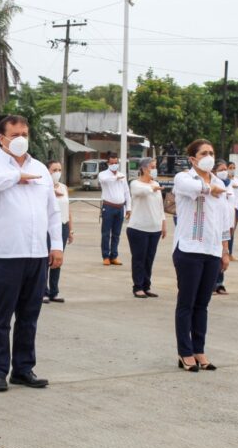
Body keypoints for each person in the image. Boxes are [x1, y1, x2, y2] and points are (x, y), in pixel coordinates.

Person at [0, 115, 63, 392]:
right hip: (4, 254)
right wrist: (15, 176)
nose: (21, 138)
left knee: (29, 316)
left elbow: (52, 210)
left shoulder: (40, 168)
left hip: (36, 254)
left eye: (25, 133)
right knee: (0, 318)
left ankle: (23, 369)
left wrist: (56, 245)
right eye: (14, 134)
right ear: (1, 139)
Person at [172, 139, 230, 372]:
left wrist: (225, 250)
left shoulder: (219, 182)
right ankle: (185, 352)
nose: (209, 157)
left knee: (202, 304)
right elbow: (191, 189)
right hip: (189, 249)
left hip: (212, 250)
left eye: (212, 153)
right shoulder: (184, 178)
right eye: (204, 153)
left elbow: (224, 220)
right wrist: (209, 188)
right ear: (193, 159)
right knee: (186, 302)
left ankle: (199, 349)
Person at [126, 158, 166, 298]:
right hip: (138, 229)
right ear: (143, 168)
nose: (154, 169)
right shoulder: (135, 183)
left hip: (154, 228)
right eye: (151, 167)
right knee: (139, 258)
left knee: (149, 259)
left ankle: (146, 285)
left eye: (155, 167)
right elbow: (141, 192)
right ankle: (137, 287)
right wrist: (152, 188)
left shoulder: (156, 184)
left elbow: (160, 207)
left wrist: (163, 223)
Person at [44, 160, 73, 304]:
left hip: (63, 225)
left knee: (57, 259)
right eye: (54, 170)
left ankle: (54, 291)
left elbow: (68, 209)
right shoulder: (43, 187)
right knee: (44, 260)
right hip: (47, 227)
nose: (57, 173)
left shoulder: (64, 187)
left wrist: (70, 229)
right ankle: (43, 291)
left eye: (59, 170)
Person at [98, 153, 131, 266]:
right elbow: (104, 181)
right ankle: (105, 256)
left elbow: (127, 192)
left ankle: (114, 256)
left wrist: (129, 208)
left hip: (120, 207)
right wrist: (115, 177)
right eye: (111, 163)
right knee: (106, 233)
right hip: (108, 207)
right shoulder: (103, 174)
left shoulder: (122, 175)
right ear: (108, 163)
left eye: (116, 163)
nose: (114, 165)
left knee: (116, 234)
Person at [213, 160, 236, 295]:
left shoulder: (230, 184)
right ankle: (212, 283)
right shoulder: (213, 184)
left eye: (225, 169)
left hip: (227, 224)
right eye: (221, 169)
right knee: (215, 255)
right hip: (215, 225)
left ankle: (219, 283)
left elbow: (233, 205)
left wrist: (231, 224)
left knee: (224, 254)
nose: (225, 172)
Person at [226, 161, 238, 261]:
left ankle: (230, 253)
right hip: (229, 208)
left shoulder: (237, 180)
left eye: (234, 167)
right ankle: (226, 252)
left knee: (232, 232)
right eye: (230, 167)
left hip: (236, 208)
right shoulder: (226, 181)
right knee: (226, 231)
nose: (232, 169)